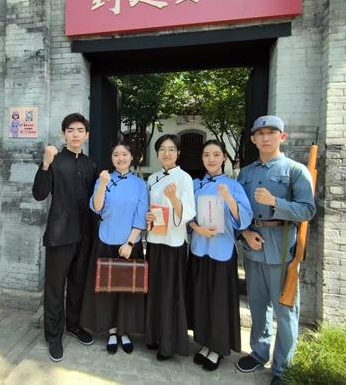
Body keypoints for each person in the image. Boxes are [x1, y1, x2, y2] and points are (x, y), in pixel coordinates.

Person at [235, 116, 316, 385]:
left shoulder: (295, 170)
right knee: (258, 306)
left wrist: (275, 202)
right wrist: (245, 233)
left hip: (282, 249)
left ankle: (283, 368)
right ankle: (259, 353)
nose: (266, 137)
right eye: (260, 133)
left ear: (282, 137)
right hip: (253, 245)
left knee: (285, 311)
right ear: (253, 139)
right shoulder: (246, 173)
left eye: (272, 132)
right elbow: (238, 210)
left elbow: (307, 210)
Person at [32, 113, 97, 362]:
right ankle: (54, 335)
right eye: (70, 130)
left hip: (84, 235)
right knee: (55, 288)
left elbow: (95, 201)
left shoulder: (90, 165)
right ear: (63, 134)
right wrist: (45, 163)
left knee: (78, 285)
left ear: (86, 135)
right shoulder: (55, 160)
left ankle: (74, 325)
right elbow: (39, 194)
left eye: (80, 130)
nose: (75, 134)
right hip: (59, 236)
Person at [187, 140, 252, 371]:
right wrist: (197, 228)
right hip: (199, 248)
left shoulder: (233, 186)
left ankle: (217, 348)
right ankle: (204, 342)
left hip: (222, 250)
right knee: (201, 297)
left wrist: (229, 199)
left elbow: (244, 219)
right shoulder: (195, 184)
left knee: (218, 301)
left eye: (216, 154)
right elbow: (187, 214)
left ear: (224, 157)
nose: (211, 159)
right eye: (206, 155)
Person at [80, 142, 148, 355]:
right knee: (107, 290)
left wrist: (130, 243)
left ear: (132, 157)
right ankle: (111, 331)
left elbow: (141, 216)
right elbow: (96, 207)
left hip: (129, 245)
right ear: (112, 158)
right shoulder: (104, 179)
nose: (120, 158)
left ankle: (124, 332)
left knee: (126, 291)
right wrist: (102, 184)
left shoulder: (139, 184)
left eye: (124, 154)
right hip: (106, 242)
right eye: (116, 154)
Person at [144, 134, 196, 361]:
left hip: (174, 244)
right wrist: (148, 217)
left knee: (171, 294)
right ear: (157, 153)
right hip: (154, 241)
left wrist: (174, 198)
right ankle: (152, 336)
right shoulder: (152, 178)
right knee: (154, 290)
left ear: (178, 153)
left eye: (171, 149)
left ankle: (168, 344)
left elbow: (188, 213)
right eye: (162, 149)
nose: (167, 153)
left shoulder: (185, 178)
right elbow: (149, 208)